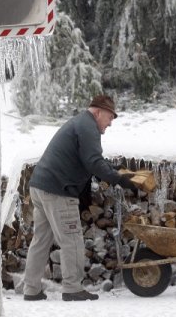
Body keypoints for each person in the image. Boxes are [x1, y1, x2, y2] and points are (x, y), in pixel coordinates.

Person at [23, 94, 136, 301]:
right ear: (98, 112)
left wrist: (114, 171)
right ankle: (72, 288)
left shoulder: (80, 123)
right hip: (58, 190)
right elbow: (93, 161)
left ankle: (31, 289)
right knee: (72, 240)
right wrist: (119, 179)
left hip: (40, 187)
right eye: (110, 117)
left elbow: (90, 160)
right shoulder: (87, 126)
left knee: (41, 241)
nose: (110, 124)